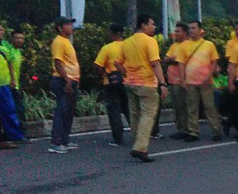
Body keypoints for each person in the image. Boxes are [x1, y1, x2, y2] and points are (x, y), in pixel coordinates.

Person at [118, 14, 167, 162]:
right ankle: (140, 147)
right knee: (148, 115)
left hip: (130, 83)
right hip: (147, 83)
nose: (154, 27)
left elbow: (117, 63)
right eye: (152, 24)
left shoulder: (126, 42)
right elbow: (155, 63)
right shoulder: (149, 41)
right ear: (143, 25)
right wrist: (163, 84)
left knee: (134, 114)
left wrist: (126, 74)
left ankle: (137, 141)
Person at [178, 21, 223, 142]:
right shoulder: (184, 45)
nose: (191, 30)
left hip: (205, 81)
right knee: (192, 107)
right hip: (190, 81)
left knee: (209, 106)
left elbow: (214, 62)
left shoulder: (209, 45)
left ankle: (216, 130)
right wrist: (183, 79)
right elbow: (181, 64)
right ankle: (193, 132)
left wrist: (209, 76)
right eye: (189, 28)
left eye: (194, 28)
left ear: (200, 30)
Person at [48, 16, 81, 154]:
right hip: (62, 80)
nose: (71, 27)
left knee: (68, 112)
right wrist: (67, 80)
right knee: (62, 111)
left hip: (71, 79)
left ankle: (64, 140)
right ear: (60, 27)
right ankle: (56, 142)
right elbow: (58, 62)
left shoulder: (66, 41)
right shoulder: (58, 42)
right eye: (68, 24)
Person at [93, 24, 129, 147]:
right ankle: (138, 134)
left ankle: (118, 138)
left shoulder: (107, 48)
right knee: (129, 109)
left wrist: (103, 75)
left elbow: (98, 65)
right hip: (128, 80)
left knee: (114, 110)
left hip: (111, 82)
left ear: (112, 34)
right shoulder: (128, 46)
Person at [3, 30, 26, 126]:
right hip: (9, 85)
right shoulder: (9, 50)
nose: (20, 40)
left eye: (21, 38)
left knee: (19, 109)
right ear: (12, 39)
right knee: (14, 109)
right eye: (17, 38)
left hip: (16, 85)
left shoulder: (19, 51)